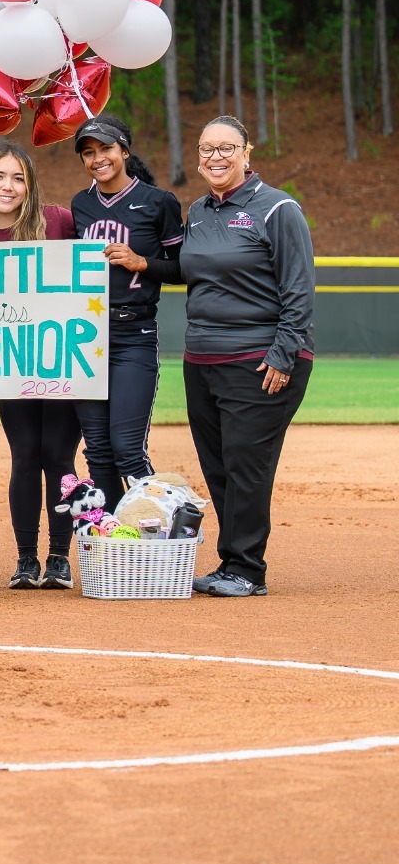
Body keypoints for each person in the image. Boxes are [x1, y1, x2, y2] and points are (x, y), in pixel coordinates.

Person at [181, 115, 315, 598]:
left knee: (246, 464)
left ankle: (246, 569)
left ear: (247, 153)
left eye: (226, 148)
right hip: (201, 360)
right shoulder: (196, 211)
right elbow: (193, 271)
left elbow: (298, 288)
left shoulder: (278, 208)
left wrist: (284, 354)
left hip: (260, 359)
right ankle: (232, 561)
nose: (216, 157)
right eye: (206, 148)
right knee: (218, 465)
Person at [0, 140, 82, 589]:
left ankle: (59, 559)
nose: (7, 186)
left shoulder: (58, 222)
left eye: (17, 177)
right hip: (10, 365)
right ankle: (27, 560)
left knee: (59, 455)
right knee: (25, 457)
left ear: (30, 185)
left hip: (63, 360)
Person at [71, 116, 185, 513]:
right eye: (89, 152)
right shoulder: (81, 204)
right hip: (85, 338)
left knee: (127, 448)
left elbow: (184, 268)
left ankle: (159, 531)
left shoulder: (159, 202)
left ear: (124, 150)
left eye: (105, 149)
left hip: (133, 332)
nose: (97, 158)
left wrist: (142, 262)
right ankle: (116, 535)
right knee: (98, 450)